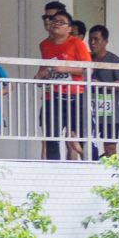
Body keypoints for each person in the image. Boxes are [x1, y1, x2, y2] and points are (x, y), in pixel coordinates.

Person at [36, 9, 91, 160]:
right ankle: (54, 168)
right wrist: (40, 76)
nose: (56, 24)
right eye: (54, 21)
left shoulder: (77, 44)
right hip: (52, 96)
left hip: (75, 96)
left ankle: (88, 163)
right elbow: (43, 68)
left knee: (81, 135)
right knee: (51, 137)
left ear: (69, 28)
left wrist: (66, 68)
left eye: (61, 22)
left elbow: (88, 69)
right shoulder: (44, 45)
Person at [87, 24, 119, 158]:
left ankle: (110, 169)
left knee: (110, 147)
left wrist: (101, 85)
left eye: (96, 39)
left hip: (109, 112)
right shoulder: (86, 58)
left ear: (105, 41)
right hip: (89, 110)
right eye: (90, 39)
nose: (92, 43)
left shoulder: (114, 60)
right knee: (85, 144)